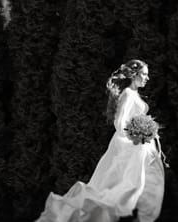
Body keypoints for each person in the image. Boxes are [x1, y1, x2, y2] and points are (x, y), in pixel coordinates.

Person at [35, 59, 167, 222]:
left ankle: (141, 216)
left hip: (140, 144)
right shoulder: (128, 94)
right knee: (125, 186)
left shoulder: (135, 94)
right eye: (144, 75)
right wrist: (137, 134)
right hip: (130, 144)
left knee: (146, 185)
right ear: (134, 75)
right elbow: (119, 123)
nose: (147, 78)